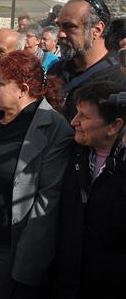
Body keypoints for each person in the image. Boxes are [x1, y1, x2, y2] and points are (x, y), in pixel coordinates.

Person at [0, 50, 74, 299]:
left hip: (10, 247)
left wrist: (28, 265)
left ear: (23, 88)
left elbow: (47, 201)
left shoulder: (54, 128)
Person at [51, 81, 126, 299]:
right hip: (67, 281)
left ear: (114, 126)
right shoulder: (68, 154)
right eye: (76, 113)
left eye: (84, 116)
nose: (74, 121)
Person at [48, 0, 126, 121]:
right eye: (59, 26)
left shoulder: (120, 77)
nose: (61, 34)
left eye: (69, 26)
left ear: (97, 29)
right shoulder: (56, 70)